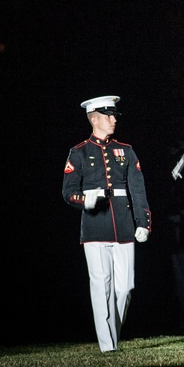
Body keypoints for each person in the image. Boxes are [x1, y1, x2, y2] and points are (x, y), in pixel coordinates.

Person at [62, 95, 151, 353]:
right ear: (94, 119)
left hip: (123, 224)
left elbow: (138, 189)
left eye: (113, 115)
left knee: (125, 288)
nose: (113, 120)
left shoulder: (126, 150)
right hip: (94, 225)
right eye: (108, 115)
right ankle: (108, 346)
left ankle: (113, 334)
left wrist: (142, 221)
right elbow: (68, 192)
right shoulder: (78, 152)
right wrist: (87, 200)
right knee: (101, 286)